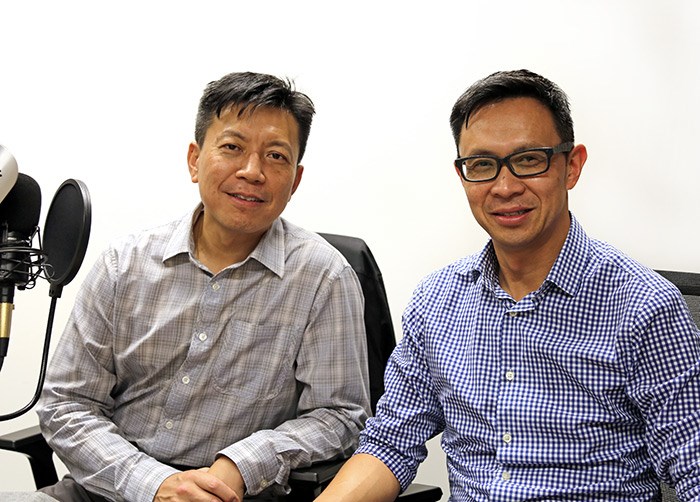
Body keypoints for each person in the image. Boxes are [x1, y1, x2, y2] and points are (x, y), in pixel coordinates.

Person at [315, 69, 700, 501]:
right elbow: (389, 445)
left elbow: (694, 468)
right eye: (482, 165)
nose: (504, 186)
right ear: (462, 176)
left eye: (529, 159)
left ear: (571, 166)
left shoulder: (645, 306)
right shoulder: (436, 301)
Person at [27, 72, 370, 501]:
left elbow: (339, 418)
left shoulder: (324, 278)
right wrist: (153, 485)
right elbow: (67, 404)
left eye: (276, 156)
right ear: (194, 159)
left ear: (295, 180)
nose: (252, 171)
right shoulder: (123, 264)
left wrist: (241, 465)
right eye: (232, 147)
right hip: (108, 488)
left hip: (232, 494)